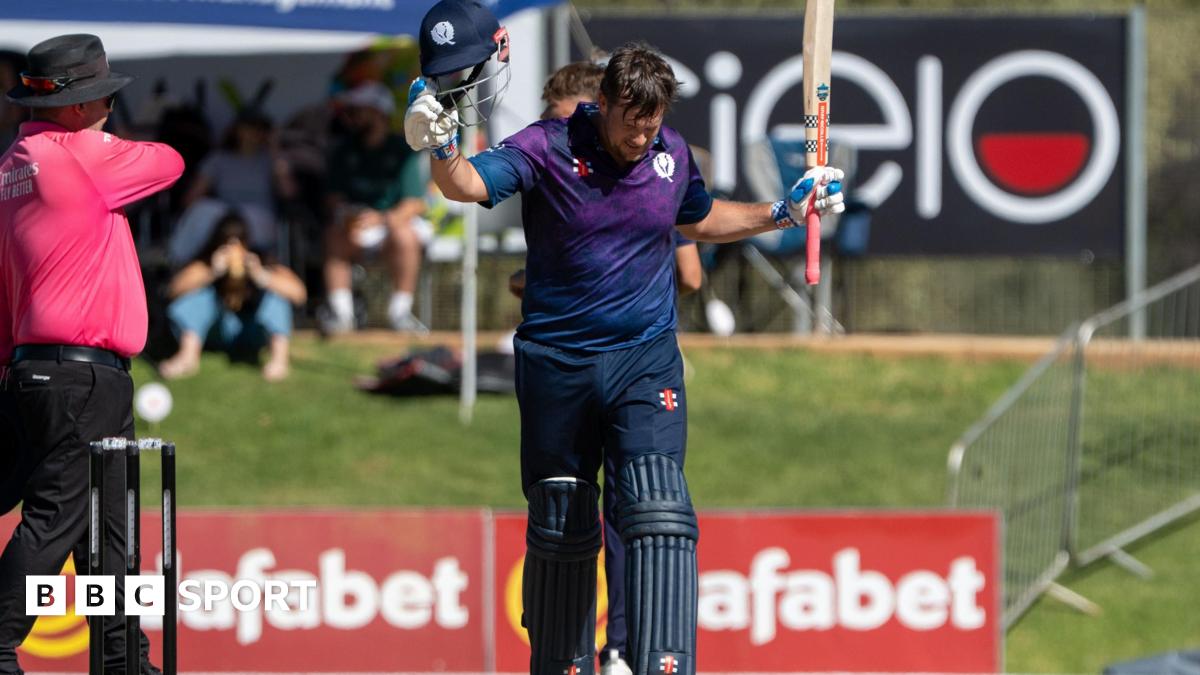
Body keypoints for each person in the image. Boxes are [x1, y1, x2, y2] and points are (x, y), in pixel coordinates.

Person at [405, 5, 844, 673]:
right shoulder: (546, 146)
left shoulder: (670, 154)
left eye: (653, 126)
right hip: (558, 364)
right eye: (630, 125)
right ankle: (566, 658)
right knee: (563, 515)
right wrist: (438, 144)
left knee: (657, 504)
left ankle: (654, 658)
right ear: (601, 103)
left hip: (644, 359)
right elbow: (463, 184)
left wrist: (784, 209)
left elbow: (701, 218)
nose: (642, 138)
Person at [0, 34, 184, 674]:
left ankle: (122, 657)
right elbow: (169, 161)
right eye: (102, 98)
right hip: (81, 376)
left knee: (107, 535)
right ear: (77, 107)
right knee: (58, 520)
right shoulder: (78, 155)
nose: (108, 108)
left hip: (42, 368)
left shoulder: (11, 166)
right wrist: (101, 142)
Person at [320, 81, 429, 334]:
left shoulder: (403, 150)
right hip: (355, 229)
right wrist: (349, 215)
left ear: (379, 113)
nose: (353, 117)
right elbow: (333, 197)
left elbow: (414, 203)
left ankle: (400, 314)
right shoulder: (343, 150)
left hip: (390, 226)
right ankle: (341, 316)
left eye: (360, 111)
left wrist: (380, 219)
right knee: (334, 236)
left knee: (405, 235)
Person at [158, 212, 307, 381]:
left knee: (275, 297)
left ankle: (279, 361)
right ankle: (187, 357)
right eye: (227, 241)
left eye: (239, 240)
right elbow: (173, 290)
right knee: (197, 294)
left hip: (252, 330)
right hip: (216, 330)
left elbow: (299, 294)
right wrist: (211, 272)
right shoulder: (207, 262)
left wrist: (262, 277)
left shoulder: (261, 259)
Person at [179, 107, 297, 256]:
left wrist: (275, 148)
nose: (254, 133)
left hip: (258, 217)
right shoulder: (218, 159)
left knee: (239, 221)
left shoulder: (273, 160)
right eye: (250, 127)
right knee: (204, 210)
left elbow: (289, 191)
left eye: (261, 128)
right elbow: (191, 198)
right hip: (222, 218)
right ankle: (177, 263)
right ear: (236, 129)